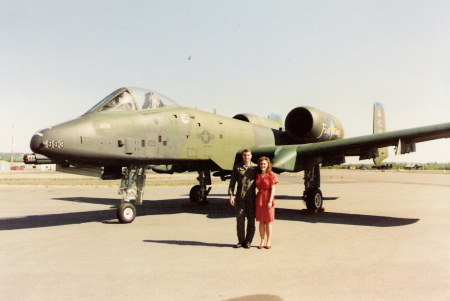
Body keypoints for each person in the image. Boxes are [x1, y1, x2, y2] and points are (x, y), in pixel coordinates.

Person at [228, 149, 257, 249]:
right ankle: (241, 241)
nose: (246, 157)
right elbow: (232, 181)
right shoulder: (237, 168)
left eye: (248, 155)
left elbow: (263, 179)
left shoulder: (255, 168)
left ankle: (248, 241)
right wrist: (231, 195)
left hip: (251, 198)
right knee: (240, 220)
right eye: (245, 155)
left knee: (251, 221)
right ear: (242, 157)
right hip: (240, 198)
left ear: (251, 156)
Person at [255, 157, 278, 249]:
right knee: (261, 221)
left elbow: (273, 189)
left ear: (268, 165)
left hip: (268, 198)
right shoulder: (257, 175)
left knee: (268, 222)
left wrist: (270, 201)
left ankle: (268, 241)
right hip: (259, 198)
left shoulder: (271, 175)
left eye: (264, 164)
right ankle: (262, 240)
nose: (263, 166)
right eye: (261, 164)